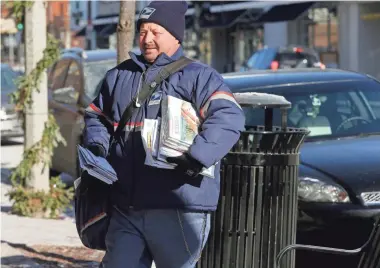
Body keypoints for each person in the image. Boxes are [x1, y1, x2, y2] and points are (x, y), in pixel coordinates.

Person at [83, 1, 245, 267]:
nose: (147, 39)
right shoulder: (118, 76)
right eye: (143, 31)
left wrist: (196, 156)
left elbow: (228, 117)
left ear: (175, 36)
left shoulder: (200, 77)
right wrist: (98, 149)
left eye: (155, 32)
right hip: (126, 208)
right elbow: (96, 116)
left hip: (179, 208)